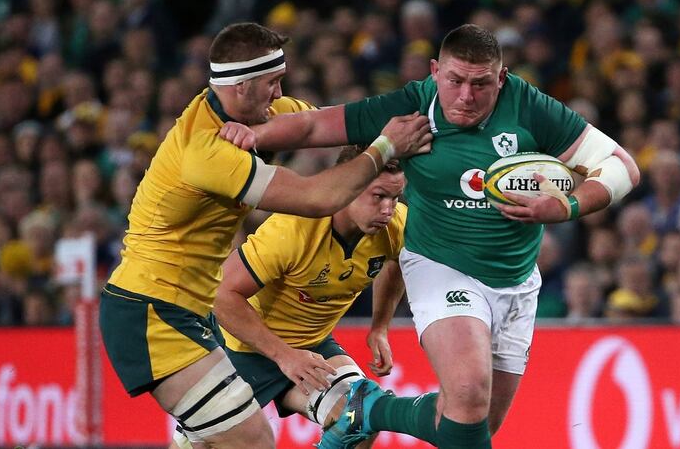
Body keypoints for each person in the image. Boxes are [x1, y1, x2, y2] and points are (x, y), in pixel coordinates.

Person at [219, 24, 640, 449]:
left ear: (502, 77)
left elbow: (622, 166)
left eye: (481, 84)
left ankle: (364, 414)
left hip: (517, 281)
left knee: (474, 425)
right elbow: (315, 127)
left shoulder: (532, 109)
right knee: (469, 393)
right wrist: (255, 134)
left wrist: (566, 206)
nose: (466, 96)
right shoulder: (413, 107)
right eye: (455, 81)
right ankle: (370, 408)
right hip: (442, 265)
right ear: (435, 71)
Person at [98, 22, 431, 449]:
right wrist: (385, 146)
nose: (279, 94)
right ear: (241, 87)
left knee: (229, 440)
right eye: (272, 83)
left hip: (189, 310)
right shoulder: (206, 151)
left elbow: (321, 124)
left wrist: (425, 110)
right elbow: (315, 197)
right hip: (151, 308)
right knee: (253, 439)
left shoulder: (250, 119)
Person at [171, 146, 408, 448]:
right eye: (378, 196)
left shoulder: (395, 225)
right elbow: (221, 295)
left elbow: (395, 261)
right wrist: (284, 356)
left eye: (395, 197)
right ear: (348, 187)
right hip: (241, 352)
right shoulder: (293, 229)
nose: (388, 209)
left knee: (360, 415)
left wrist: (380, 327)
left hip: (311, 348)